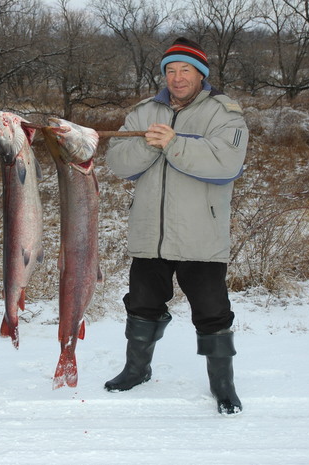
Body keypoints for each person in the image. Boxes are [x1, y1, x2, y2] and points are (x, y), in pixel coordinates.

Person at [104, 37, 248, 415]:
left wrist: (174, 143)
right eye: (170, 70)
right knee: (141, 304)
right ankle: (136, 369)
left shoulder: (224, 113)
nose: (177, 77)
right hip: (149, 232)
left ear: (201, 74)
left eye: (186, 70)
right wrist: (150, 146)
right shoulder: (144, 111)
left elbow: (226, 164)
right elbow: (118, 163)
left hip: (201, 234)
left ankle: (223, 385)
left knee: (213, 311)